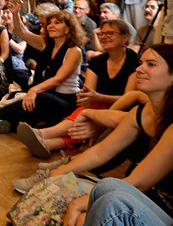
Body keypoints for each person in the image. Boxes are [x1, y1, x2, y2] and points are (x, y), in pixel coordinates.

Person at [49, 45, 173, 226]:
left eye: (151, 64)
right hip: (147, 195)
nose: (139, 69)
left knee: (91, 214)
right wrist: (60, 172)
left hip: (168, 209)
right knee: (85, 203)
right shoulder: (143, 112)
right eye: (140, 63)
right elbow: (101, 151)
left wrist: (82, 203)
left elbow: (137, 182)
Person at [17, 19, 138, 158]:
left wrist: (96, 99)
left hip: (122, 110)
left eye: (110, 33)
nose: (104, 37)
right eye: (102, 33)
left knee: (91, 111)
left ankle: (43, 134)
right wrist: (86, 109)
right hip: (95, 107)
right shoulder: (97, 61)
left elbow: (129, 99)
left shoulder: (133, 60)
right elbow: (88, 95)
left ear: (125, 37)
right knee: (86, 117)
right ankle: (48, 144)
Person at [0, 4, 84, 133]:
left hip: (65, 101)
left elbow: (58, 79)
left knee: (39, 98)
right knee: (15, 95)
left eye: (57, 23)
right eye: (50, 23)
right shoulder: (47, 44)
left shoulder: (74, 51)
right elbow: (22, 32)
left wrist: (34, 90)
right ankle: (6, 122)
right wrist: (15, 14)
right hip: (46, 93)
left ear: (68, 29)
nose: (50, 26)